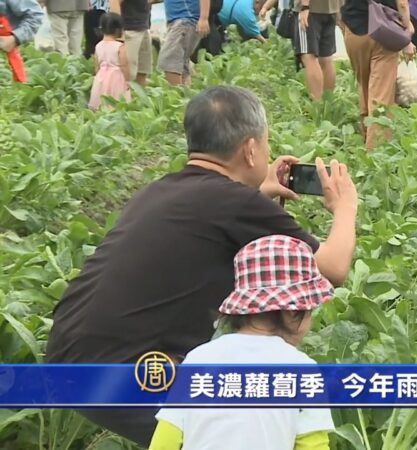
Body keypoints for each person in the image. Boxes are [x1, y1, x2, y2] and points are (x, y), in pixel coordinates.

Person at [45, 86, 359, 447]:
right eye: (265, 142)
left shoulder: (161, 190)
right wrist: (346, 206)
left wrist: (262, 193)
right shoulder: (236, 204)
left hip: (66, 355)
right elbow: (331, 269)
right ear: (251, 149)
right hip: (126, 370)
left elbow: (214, 228)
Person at [148, 235, 336, 450]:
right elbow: (314, 445)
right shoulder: (303, 370)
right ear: (293, 311)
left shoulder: (200, 358)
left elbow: (166, 438)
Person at [341, 0, 416, 149]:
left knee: (364, 86)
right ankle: (376, 151)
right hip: (384, 31)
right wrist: (406, 32)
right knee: (381, 96)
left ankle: (365, 135)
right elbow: (402, 3)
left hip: (354, 29)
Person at [294, 0, 340, 100]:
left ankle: (317, 105)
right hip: (331, 9)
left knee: (309, 57)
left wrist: (305, 6)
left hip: (311, 10)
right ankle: (328, 103)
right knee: (326, 59)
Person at [157, 0, 211, 85]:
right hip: (179, 21)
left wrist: (204, 18)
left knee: (170, 60)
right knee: (182, 63)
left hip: (185, 20)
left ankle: (175, 94)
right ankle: (185, 94)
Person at [88, 12, 131, 110]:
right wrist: (128, 80)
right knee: (117, 100)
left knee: (101, 100)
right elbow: (124, 65)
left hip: (102, 77)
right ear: (118, 29)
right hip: (116, 78)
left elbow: (97, 66)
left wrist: (98, 77)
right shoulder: (120, 47)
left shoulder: (98, 46)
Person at [109, 0, 153, 87]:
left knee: (143, 71)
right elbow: (115, 2)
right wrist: (119, 31)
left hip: (143, 27)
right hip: (128, 30)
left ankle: (139, 98)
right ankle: (124, 98)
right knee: (127, 73)